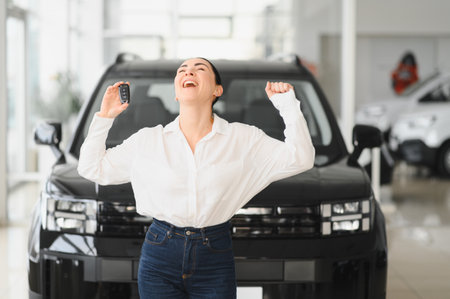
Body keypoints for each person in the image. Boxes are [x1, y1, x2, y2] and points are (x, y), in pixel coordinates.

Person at [78, 57, 315, 299]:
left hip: (214, 254)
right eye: (182, 70)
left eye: (199, 69)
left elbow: (301, 158)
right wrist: (105, 116)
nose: (188, 72)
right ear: (176, 93)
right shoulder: (148, 141)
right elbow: (91, 168)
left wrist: (288, 106)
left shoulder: (243, 139)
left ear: (217, 90)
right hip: (160, 254)